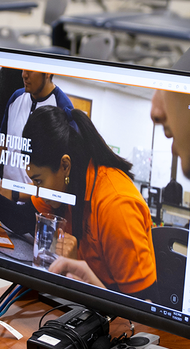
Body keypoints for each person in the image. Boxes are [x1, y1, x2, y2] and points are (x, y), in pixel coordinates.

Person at [26, 106, 157, 297]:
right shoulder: (65, 185)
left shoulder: (116, 206)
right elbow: (25, 218)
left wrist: (78, 267)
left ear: (65, 166)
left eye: (38, 181)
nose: (35, 189)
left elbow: (142, 310)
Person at [0, 70, 74, 232]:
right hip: (4, 203)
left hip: (33, 210)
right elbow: (2, 148)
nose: (24, 75)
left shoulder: (63, 109)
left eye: (30, 71)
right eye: (23, 69)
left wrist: (15, 192)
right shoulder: (15, 98)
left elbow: (58, 179)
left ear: (47, 72)